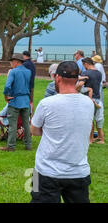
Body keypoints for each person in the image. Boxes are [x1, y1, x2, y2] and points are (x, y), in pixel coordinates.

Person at [30, 61, 93, 203]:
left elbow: (33, 130)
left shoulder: (46, 103)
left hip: (43, 171)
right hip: (79, 171)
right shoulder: (88, 103)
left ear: (57, 78)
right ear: (78, 79)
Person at [0, 53, 32, 152]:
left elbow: (7, 86)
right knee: (26, 124)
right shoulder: (28, 72)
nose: (11, 63)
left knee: (13, 124)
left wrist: (6, 96)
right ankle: (28, 145)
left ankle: (11, 146)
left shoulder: (13, 72)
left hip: (15, 100)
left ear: (16, 61)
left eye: (11, 61)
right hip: (26, 100)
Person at [77, 58, 104, 144]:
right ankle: (101, 138)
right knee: (98, 120)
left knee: (90, 120)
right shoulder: (99, 73)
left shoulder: (86, 73)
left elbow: (80, 84)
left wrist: (78, 89)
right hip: (97, 98)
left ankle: (91, 139)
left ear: (86, 64)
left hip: (88, 99)